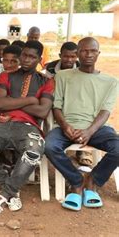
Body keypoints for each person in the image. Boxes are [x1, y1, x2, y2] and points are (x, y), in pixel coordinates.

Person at [0, 40, 54, 216]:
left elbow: (42, 111)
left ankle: (3, 194)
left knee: (35, 149)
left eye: (32, 57)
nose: (26, 59)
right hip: (1, 124)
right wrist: (31, 100)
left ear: (39, 59)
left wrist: (13, 104)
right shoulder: (7, 76)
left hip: (28, 126)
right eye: (24, 55)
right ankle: (10, 190)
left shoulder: (46, 81)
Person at [45, 37, 118, 211]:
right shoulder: (63, 76)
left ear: (98, 54)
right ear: (78, 54)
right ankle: (76, 181)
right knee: (49, 146)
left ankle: (93, 180)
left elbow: (105, 111)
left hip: (96, 128)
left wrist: (89, 132)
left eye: (93, 51)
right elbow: (57, 106)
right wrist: (64, 126)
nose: (88, 54)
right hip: (66, 127)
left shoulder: (111, 82)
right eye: (84, 50)